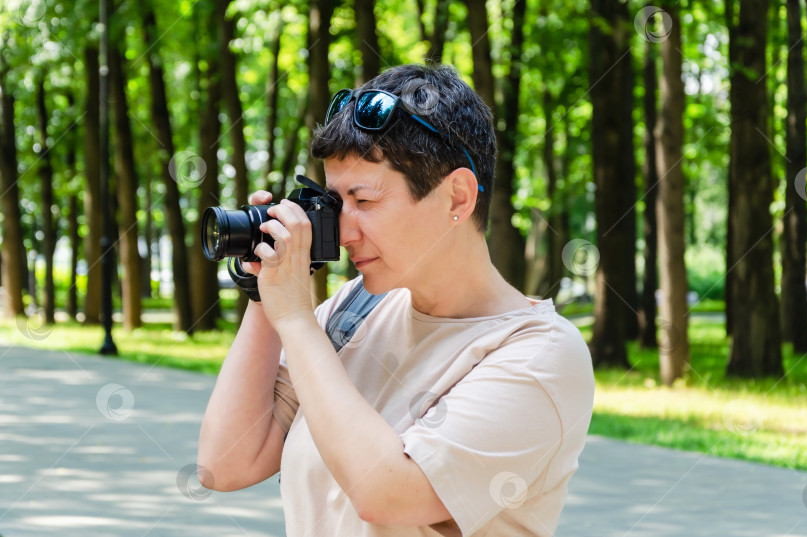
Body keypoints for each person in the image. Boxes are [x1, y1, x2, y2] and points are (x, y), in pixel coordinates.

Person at [198, 63, 594, 537]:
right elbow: (225, 464)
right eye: (335, 203)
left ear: (457, 198)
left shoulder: (540, 355)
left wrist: (298, 321)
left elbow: (387, 494)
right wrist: (265, 295)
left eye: (363, 202)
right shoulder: (353, 309)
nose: (343, 230)